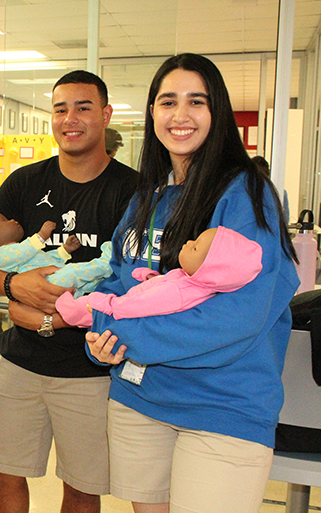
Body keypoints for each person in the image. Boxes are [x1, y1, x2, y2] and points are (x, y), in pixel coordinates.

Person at [85, 53, 298, 513]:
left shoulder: (247, 193)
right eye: (167, 102)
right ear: (152, 113)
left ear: (217, 111)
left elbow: (238, 315)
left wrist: (123, 334)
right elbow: (122, 285)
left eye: (196, 101)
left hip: (222, 409)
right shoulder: (148, 199)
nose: (180, 115)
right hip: (140, 397)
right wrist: (98, 336)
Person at [0, 70, 138, 513]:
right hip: (20, 361)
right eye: (60, 108)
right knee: (2, 471)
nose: (70, 118)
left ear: (105, 115)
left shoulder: (134, 192)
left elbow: (138, 283)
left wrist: (54, 318)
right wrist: (13, 284)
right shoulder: (25, 183)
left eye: (83, 107)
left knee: (82, 487)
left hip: (92, 370)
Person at [56, 226, 262, 328]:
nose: (189, 242)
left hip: (120, 308)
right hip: (131, 300)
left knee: (86, 306)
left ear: (207, 271)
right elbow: (167, 281)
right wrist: (151, 277)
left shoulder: (178, 292)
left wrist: (110, 304)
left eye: (196, 247)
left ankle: (72, 311)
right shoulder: (189, 281)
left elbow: (144, 305)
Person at [0, 213, 113, 298]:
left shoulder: (23, 253)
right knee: (75, 271)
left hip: (54, 280)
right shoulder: (2, 256)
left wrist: (64, 250)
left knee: (82, 281)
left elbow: (47, 260)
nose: (13, 220)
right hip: (48, 283)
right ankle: (106, 264)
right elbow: (26, 249)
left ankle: (99, 281)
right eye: (5, 221)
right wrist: (41, 236)